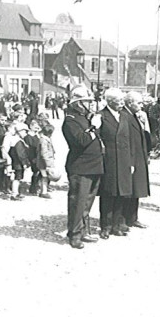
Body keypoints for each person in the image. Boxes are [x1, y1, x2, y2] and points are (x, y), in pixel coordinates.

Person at [62, 85, 104, 249]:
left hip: (94, 165)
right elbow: (81, 141)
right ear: (79, 103)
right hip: (80, 167)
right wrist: (93, 127)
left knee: (87, 202)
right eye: (87, 102)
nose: (91, 104)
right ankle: (74, 234)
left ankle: (83, 230)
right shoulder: (71, 120)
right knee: (78, 202)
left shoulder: (85, 117)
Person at [98, 88, 132, 238]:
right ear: (110, 102)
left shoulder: (125, 116)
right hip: (109, 160)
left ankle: (116, 225)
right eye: (119, 101)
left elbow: (129, 140)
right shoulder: (102, 116)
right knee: (108, 193)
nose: (122, 104)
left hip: (124, 160)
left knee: (121, 193)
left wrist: (131, 161)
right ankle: (105, 225)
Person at [122, 91, 150, 228]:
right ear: (130, 103)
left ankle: (133, 217)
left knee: (136, 189)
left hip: (139, 156)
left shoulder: (135, 116)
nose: (141, 105)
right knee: (129, 190)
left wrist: (145, 124)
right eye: (138, 102)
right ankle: (124, 218)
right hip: (131, 158)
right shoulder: (125, 116)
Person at [36, 123, 56, 199]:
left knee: (43, 176)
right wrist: (48, 164)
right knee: (44, 177)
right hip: (43, 162)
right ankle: (43, 192)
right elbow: (44, 153)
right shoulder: (44, 140)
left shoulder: (44, 139)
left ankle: (41, 189)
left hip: (44, 161)